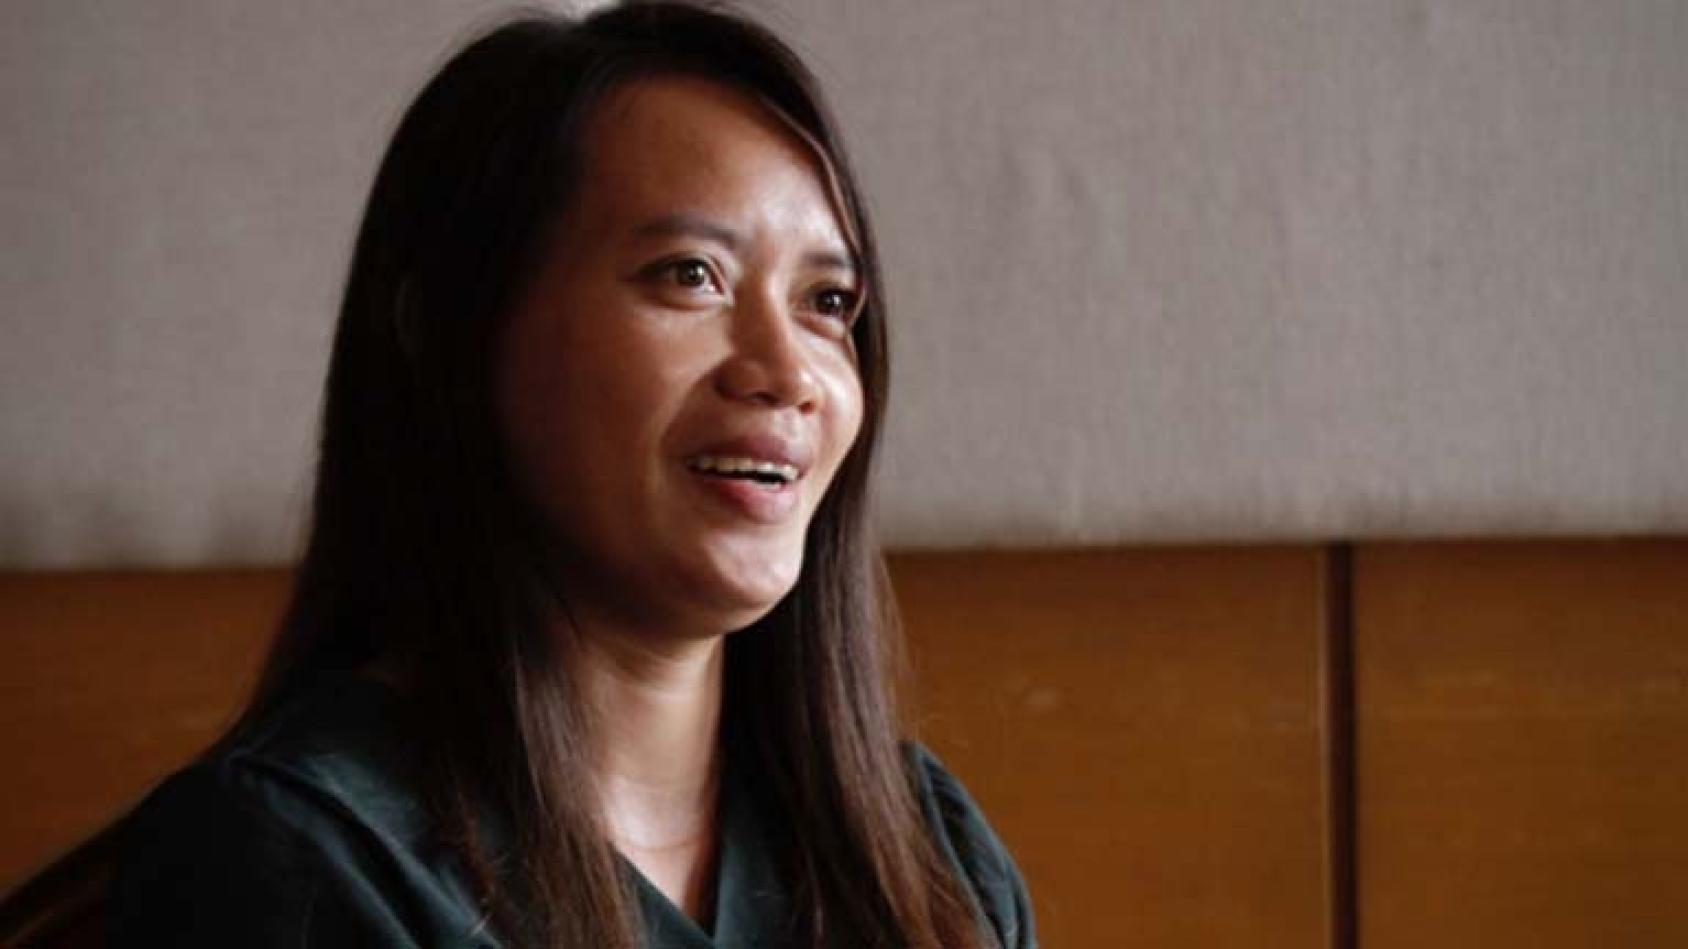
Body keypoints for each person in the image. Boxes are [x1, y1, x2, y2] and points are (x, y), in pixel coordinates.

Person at [109, 3, 1035, 947]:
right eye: (690, 275)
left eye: (826, 302)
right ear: (453, 336)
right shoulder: (289, 861)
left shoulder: (927, 856)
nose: (789, 371)